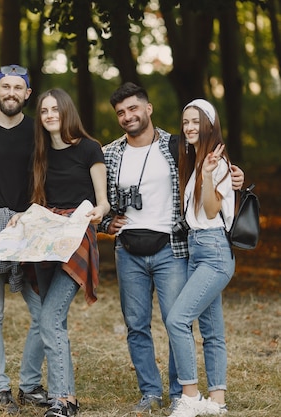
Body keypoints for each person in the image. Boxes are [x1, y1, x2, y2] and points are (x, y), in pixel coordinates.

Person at [100, 83, 243, 414]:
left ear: (148, 109)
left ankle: (183, 394)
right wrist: (105, 225)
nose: (128, 116)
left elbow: (215, 172)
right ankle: (152, 392)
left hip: (174, 248)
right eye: (121, 112)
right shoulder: (110, 153)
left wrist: (234, 176)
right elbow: (91, 194)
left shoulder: (176, 146)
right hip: (129, 250)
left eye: (133, 108)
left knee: (177, 320)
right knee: (137, 324)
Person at [9, 88, 110, 417]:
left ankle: (64, 399)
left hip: (76, 237)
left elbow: (102, 201)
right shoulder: (39, 152)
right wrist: (23, 215)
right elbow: (39, 202)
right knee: (49, 318)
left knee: (50, 317)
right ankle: (31, 386)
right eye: (44, 110)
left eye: (55, 108)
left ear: (67, 111)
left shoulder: (89, 148)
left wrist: (98, 212)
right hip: (44, 238)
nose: (50, 114)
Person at [0, 64, 49, 413]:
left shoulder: (38, 131)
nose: (12, 93)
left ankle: (30, 385)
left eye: (19, 87)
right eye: (6, 87)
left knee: (47, 313)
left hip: (29, 228)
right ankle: (0, 391)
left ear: (27, 94)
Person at [165, 99, 234, 417]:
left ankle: (190, 396)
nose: (189, 127)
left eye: (196, 121)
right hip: (198, 249)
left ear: (209, 123)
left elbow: (210, 210)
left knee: (177, 320)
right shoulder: (195, 162)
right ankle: (217, 402)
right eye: (185, 122)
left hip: (214, 251)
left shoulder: (215, 163)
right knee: (211, 330)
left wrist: (207, 175)